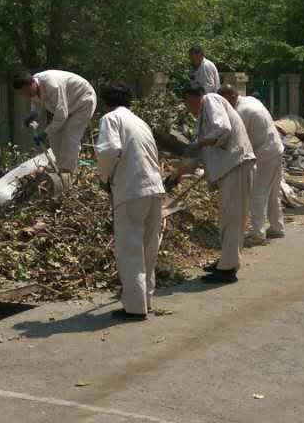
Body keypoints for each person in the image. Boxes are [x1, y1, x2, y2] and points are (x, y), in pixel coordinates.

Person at [94, 83, 166, 320]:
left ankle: (135, 308)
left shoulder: (110, 119)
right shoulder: (140, 121)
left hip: (131, 189)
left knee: (130, 250)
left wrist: (104, 177)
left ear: (106, 102)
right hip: (154, 188)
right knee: (148, 249)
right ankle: (146, 300)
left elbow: (108, 151)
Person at [181, 83, 255, 283]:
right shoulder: (205, 114)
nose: (188, 108)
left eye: (187, 103)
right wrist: (179, 174)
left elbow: (222, 129)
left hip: (237, 165)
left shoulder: (211, 100)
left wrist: (200, 143)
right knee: (228, 218)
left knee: (232, 219)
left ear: (193, 98)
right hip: (231, 169)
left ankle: (228, 268)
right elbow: (204, 152)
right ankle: (227, 260)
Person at [219, 85, 285, 246]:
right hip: (275, 147)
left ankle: (257, 234)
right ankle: (277, 227)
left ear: (231, 97)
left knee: (257, 193)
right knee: (273, 191)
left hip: (264, 153)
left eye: (223, 101)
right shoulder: (250, 100)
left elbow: (236, 141)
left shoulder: (240, 113)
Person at [12, 69, 97, 175]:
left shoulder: (52, 85)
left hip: (83, 101)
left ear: (33, 82)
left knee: (70, 135)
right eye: (23, 93)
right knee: (54, 137)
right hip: (68, 106)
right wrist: (33, 114)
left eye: (27, 92)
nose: (26, 95)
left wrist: (45, 133)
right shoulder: (33, 87)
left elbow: (61, 116)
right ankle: (61, 168)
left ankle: (69, 172)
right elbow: (37, 102)